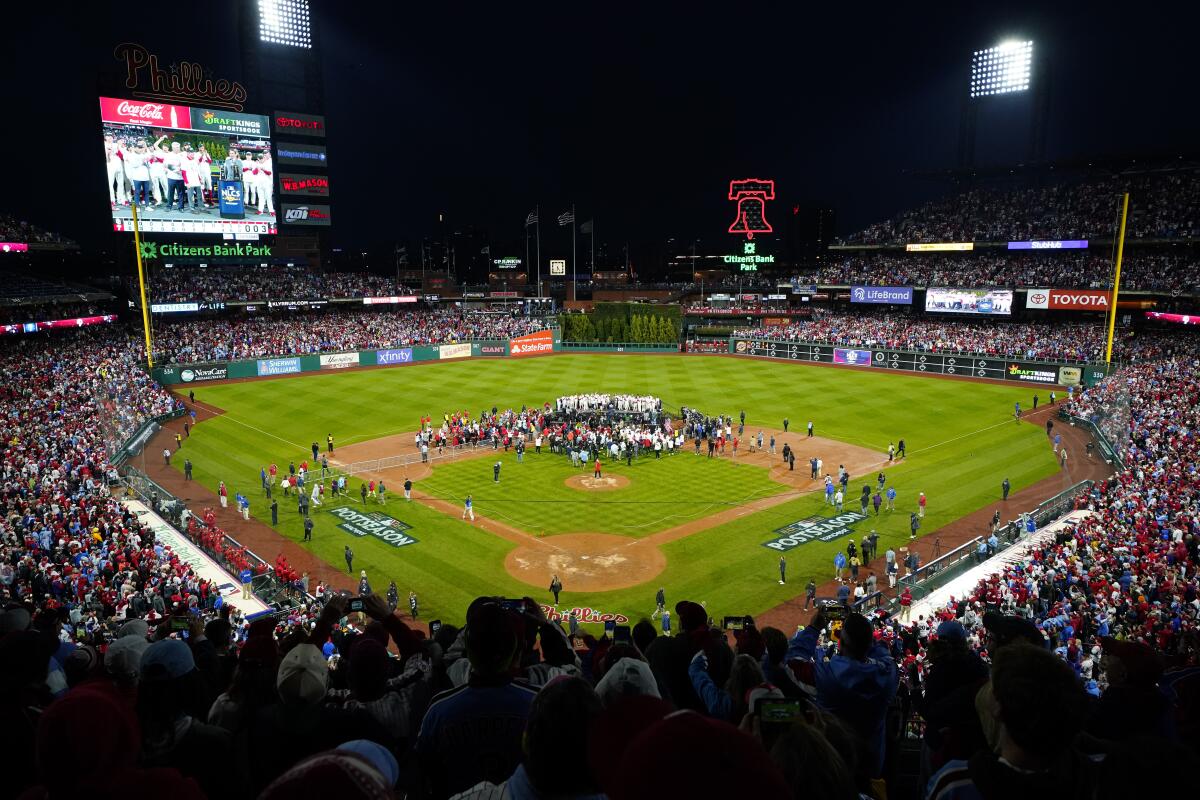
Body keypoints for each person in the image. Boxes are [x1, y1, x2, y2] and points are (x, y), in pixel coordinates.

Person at [792, 611, 897, 781]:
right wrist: (865, 633)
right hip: (872, 765)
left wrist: (813, 628)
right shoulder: (888, 675)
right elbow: (884, 653)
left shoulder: (827, 676)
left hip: (832, 764)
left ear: (839, 643)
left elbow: (793, 660)